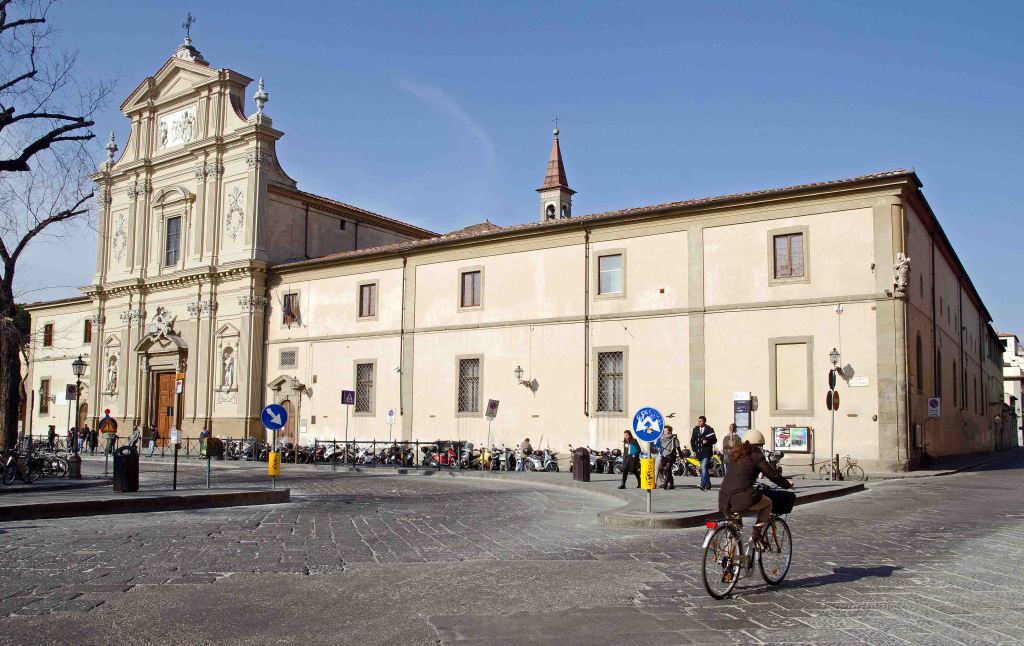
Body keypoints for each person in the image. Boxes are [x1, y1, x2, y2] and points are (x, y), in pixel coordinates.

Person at [718, 429, 792, 548]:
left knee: (736, 529)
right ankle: (756, 532)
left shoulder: (736, 454)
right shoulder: (757, 455)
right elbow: (771, 475)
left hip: (724, 498)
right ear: (759, 444)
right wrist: (787, 484)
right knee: (768, 503)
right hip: (741, 496)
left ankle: (728, 556)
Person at [690, 415, 717, 491]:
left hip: (706, 452)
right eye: (698, 421)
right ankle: (708, 484)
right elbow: (692, 441)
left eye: (701, 421)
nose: (699, 422)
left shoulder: (709, 429)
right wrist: (694, 450)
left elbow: (715, 440)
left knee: (704, 467)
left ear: (704, 422)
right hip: (699, 452)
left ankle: (703, 484)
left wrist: (707, 442)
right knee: (703, 469)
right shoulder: (695, 429)